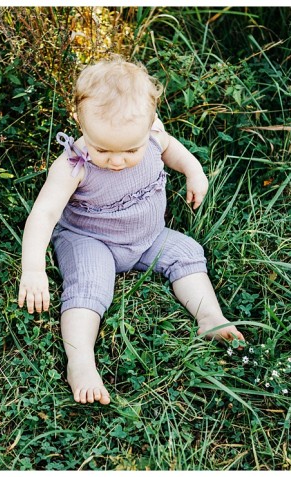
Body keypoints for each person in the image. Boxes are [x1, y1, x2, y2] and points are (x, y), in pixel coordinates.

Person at [17, 56, 244, 405]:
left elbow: (173, 150)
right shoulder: (73, 163)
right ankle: (80, 361)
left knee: (186, 254)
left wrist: (194, 172)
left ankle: (210, 316)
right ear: (79, 122)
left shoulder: (152, 135)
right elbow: (44, 213)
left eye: (130, 150)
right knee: (89, 285)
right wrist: (32, 269)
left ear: (151, 122)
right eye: (103, 149)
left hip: (147, 236)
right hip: (91, 239)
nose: (118, 160)